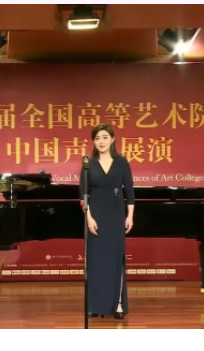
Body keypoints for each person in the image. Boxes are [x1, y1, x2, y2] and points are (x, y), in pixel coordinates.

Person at [80, 123, 135, 319]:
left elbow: (130, 192)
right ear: (93, 142)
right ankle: (95, 306)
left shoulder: (121, 162)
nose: (101, 141)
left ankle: (118, 305)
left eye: (105, 137)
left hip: (116, 215)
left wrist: (130, 216)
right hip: (95, 217)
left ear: (112, 139)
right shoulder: (88, 163)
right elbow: (83, 194)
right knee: (96, 261)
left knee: (115, 260)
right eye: (97, 138)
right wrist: (88, 218)